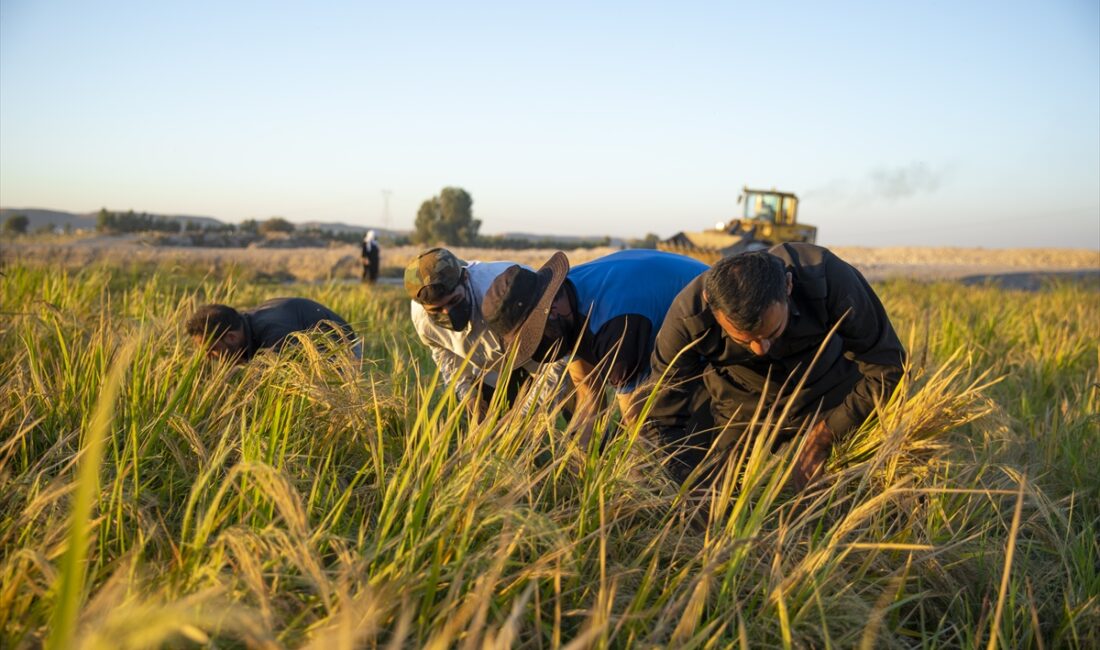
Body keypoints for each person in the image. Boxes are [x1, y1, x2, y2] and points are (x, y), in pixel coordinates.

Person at [647, 243, 906, 487]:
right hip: (742, 404)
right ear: (710, 304)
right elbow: (661, 418)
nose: (761, 349)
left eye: (773, 333)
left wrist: (828, 434)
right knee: (716, 490)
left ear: (789, 286)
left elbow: (888, 367)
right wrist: (691, 485)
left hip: (828, 390)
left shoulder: (826, 275)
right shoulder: (688, 317)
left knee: (868, 480)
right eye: (744, 341)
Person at [481, 249, 708, 433]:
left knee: (677, 437)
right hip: (661, 320)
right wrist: (579, 463)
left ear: (551, 310)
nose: (537, 346)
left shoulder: (612, 326)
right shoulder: (568, 302)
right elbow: (589, 394)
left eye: (535, 337)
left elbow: (637, 422)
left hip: (712, 332)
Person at [405, 248, 566, 413]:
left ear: (465, 278)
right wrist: (467, 393)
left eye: (455, 300)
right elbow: (443, 351)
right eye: (437, 310)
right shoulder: (422, 318)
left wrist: (525, 413)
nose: (448, 312)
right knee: (494, 428)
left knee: (575, 418)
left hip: (543, 355)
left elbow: (559, 357)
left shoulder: (504, 293)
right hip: (490, 370)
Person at [186, 297, 361, 363]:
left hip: (341, 348)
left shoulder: (275, 335)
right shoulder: (243, 325)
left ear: (231, 337)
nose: (208, 357)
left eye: (212, 349)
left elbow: (284, 379)